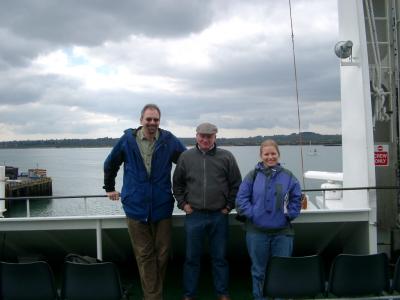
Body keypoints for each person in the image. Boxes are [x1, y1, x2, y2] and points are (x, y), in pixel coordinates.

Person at [103, 104, 186, 300]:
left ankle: (152, 294)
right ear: (141, 120)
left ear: (159, 121)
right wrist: (109, 188)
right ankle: (153, 297)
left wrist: (189, 190)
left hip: (162, 206)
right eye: (148, 119)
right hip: (135, 207)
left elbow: (186, 163)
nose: (152, 123)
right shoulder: (127, 141)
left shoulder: (168, 140)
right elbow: (110, 163)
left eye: (156, 119)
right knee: (145, 256)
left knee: (162, 254)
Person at [173, 122, 242, 300]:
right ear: (196, 136)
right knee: (191, 259)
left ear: (215, 137)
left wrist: (228, 207)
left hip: (219, 215)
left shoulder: (227, 157)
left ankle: (222, 293)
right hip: (193, 215)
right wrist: (183, 205)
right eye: (202, 136)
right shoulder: (185, 157)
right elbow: (177, 185)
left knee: (220, 258)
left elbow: (236, 185)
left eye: (209, 136)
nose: (205, 139)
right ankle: (189, 294)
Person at [235, 139, 302, 300]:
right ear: (261, 155)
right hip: (256, 233)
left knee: (281, 269)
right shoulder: (252, 176)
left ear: (278, 155)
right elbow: (241, 200)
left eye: (273, 154)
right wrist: (254, 214)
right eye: (266, 154)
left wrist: (289, 215)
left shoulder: (289, 176)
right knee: (259, 271)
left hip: (282, 233)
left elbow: (296, 198)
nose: (270, 157)